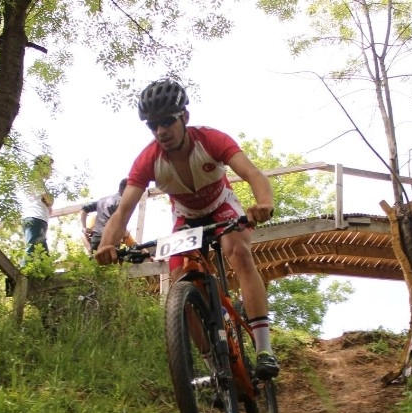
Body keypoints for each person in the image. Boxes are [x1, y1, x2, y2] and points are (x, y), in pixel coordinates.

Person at [93, 79, 279, 379]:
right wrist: (106, 245)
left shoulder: (210, 139)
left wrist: (263, 203)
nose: (161, 131)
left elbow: (252, 173)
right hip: (187, 218)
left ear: (185, 118)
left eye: (167, 121)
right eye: (153, 126)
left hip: (222, 206)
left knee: (239, 252)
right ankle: (214, 368)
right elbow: (124, 209)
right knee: (179, 282)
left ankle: (264, 350)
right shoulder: (148, 160)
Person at [81, 178, 129, 255]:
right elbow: (121, 226)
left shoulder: (102, 200)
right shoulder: (121, 202)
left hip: (96, 239)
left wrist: (84, 227)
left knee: (96, 264)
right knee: (109, 264)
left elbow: (84, 209)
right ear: (126, 189)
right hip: (109, 240)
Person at [22, 155, 54, 261]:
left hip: (39, 218)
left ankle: (46, 275)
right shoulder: (35, 177)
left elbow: (47, 202)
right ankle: (22, 275)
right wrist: (49, 201)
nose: (51, 169)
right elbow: (48, 199)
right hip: (35, 217)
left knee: (43, 253)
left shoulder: (36, 180)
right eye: (49, 166)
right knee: (31, 249)